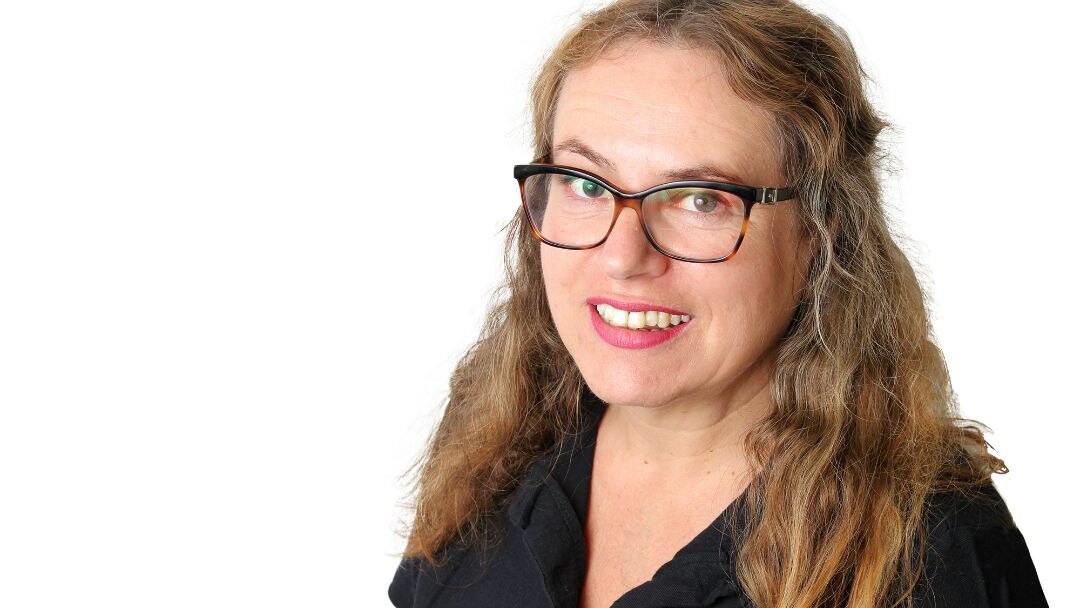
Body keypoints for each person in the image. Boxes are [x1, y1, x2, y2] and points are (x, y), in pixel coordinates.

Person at [389, 0, 1047, 606]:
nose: (622, 257)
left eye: (701, 199)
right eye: (586, 184)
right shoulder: (494, 456)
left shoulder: (931, 557)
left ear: (818, 236)